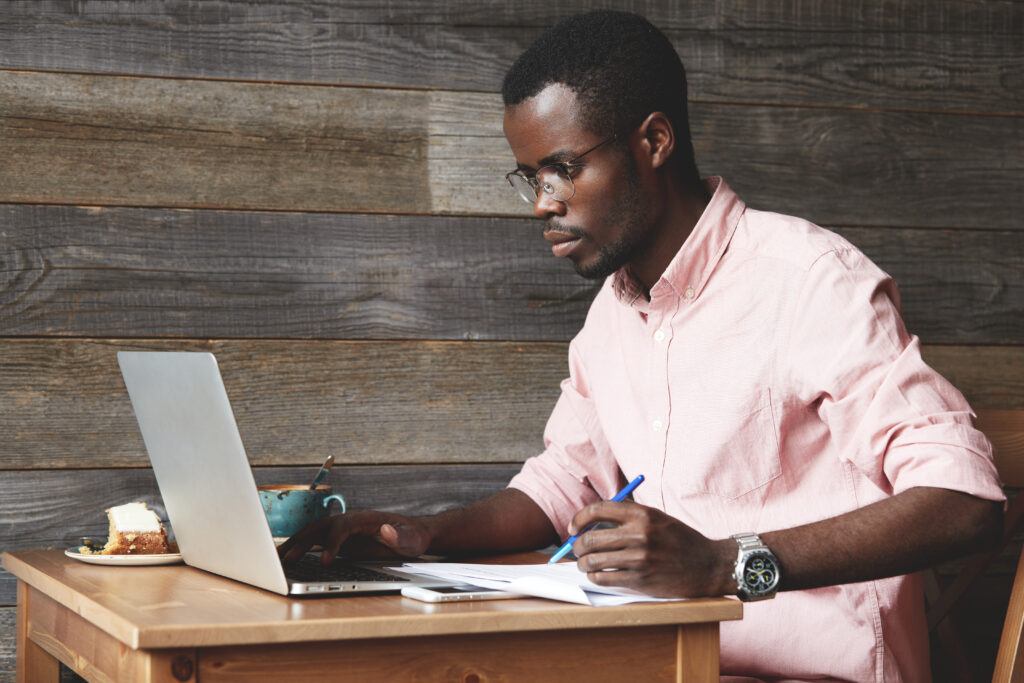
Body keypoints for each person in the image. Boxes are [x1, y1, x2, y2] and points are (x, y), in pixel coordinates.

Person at [281, 10, 1004, 680]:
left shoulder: (812, 281)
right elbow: (564, 483)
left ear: (653, 142)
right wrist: (424, 535)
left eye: (563, 167)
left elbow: (962, 500)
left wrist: (724, 563)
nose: (542, 201)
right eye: (530, 176)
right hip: (659, 665)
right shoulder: (612, 314)